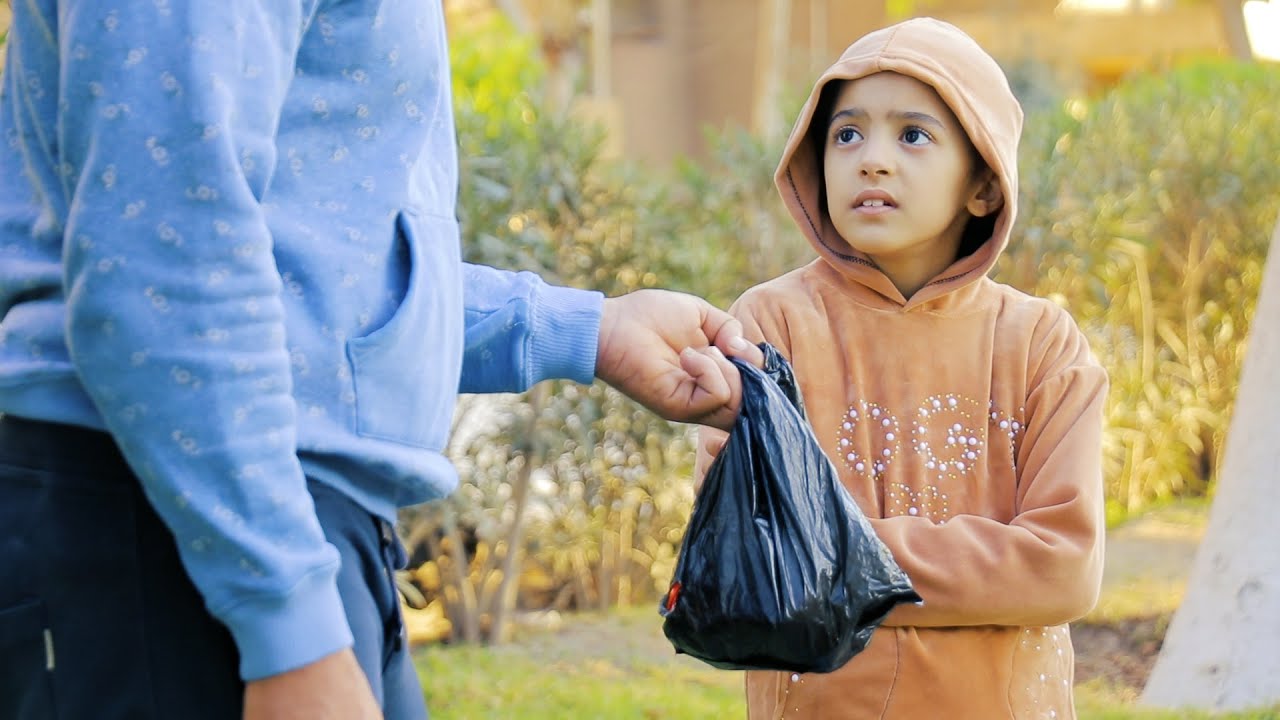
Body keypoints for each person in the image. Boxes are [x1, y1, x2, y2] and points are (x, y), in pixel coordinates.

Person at [0, 2, 762, 719]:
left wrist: (593, 330)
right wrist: (288, 623)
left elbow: (333, 276)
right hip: (177, 530)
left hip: (264, 522)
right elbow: (162, 259)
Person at [695, 18, 1109, 720]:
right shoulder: (770, 329)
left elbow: (1063, 569)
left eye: (912, 134)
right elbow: (755, 557)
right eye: (846, 133)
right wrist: (978, 574)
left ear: (982, 184)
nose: (871, 159)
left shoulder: (1041, 344)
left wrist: (838, 557)